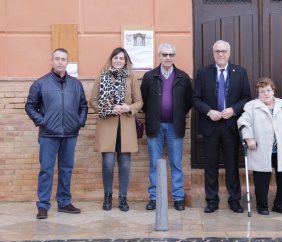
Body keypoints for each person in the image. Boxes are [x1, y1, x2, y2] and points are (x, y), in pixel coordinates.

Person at [25, 48, 88, 220]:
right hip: (48, 135)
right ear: (51, 61)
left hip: (70, 133)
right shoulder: (40, 83)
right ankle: (43, 205)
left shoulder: (76, 84)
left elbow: (83, 106)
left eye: (64, 59)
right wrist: (43, 122)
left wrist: (79, 122)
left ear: (68, 62)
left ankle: (64, 202)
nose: (60, 62)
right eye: (57, 59)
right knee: (46, 170)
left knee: (66, 169)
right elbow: (30, 106)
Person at [192, 40, 252, 213]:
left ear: (229, 53)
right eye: (217, 51)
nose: (220, 54)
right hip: (210, 126)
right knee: (210, 165)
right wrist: (209, 111)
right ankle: (211, 200)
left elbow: (246, 98)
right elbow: (196, 99)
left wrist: (234, 110)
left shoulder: (240, 72)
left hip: (231, 126)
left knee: (232, 165)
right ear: (213, 53)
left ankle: (234, 200)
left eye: (224, 51)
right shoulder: (203, 73)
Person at [89, 47, 143, 212]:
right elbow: (92, 101)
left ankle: (123, 198)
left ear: (126, 61)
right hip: (107, 125)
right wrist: (108, 109)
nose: (118, 60)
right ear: (111, 59)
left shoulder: (132, 78)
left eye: (122, 58)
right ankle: (107, 196)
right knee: (108, 163)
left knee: (125, 164)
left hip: (126, 126)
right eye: (116, 57)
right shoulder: (102, 76)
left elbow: (139, 103)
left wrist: (128, 107)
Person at [140, 43, 193, 211]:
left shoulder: (183, 77)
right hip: (155, 126)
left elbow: (188, 101)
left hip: (175, 127)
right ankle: (154, 198)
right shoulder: (150, 77)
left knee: (176, 162)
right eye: (164, 54)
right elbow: (144, 102)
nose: (168, 57)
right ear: (159, 56)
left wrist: (176, 113)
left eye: (171, 54)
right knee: (154, 163)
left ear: (174, 56)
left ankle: (178, 198)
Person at [237, 77, 282, 215]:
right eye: (262, 91)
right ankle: (262, 206)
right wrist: (249, 138)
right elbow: (243, 122)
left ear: (273, 90)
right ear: (258, 93)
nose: (266, 94)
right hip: (262, 149)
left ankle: (280, 205)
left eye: (268, 90)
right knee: (261, 180)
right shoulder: (251, 106)